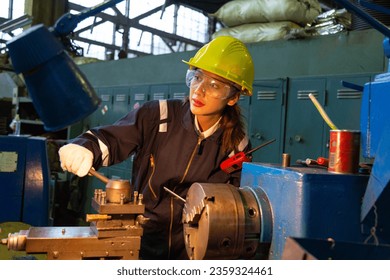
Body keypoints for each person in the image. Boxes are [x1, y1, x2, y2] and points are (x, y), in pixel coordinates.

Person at [58, 36, 255, 259]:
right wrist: (86, 147)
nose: (199, 91)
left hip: (196, 249)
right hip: (143, 241)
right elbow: (113, 138)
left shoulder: (236, 145)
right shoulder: (159, 115)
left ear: (233, 98)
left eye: (214, 85)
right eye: (197, 77)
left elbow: (240, 207)